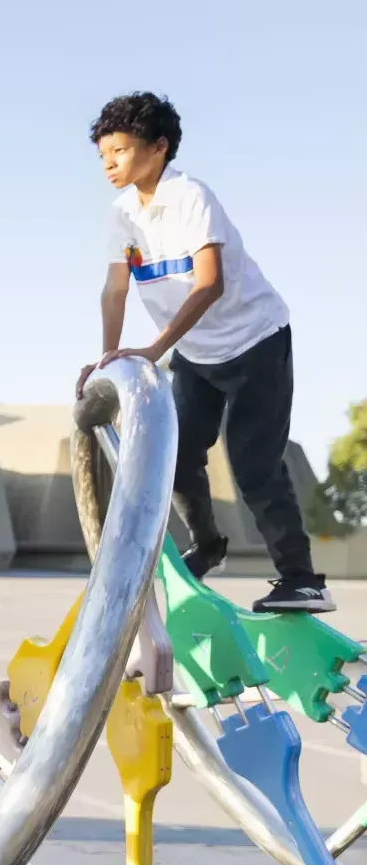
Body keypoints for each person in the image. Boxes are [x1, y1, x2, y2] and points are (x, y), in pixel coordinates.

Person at [79, 92, 331, 613]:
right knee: (177, 453)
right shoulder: (122, 213)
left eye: (121, 151)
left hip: (255, 342)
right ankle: (208, 543)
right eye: (103, 154)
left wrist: (152, 348)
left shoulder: (190, 196)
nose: (109, 163)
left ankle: (303, 579)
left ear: (159, 147)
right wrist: (110, 360)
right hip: (196, 354)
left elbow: (210, 285)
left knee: (253, 461)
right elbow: (114, 291)